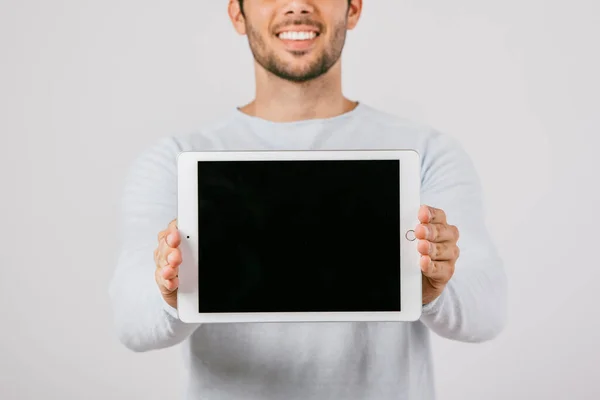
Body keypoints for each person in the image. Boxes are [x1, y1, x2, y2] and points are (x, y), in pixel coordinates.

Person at [108, 1, 508, 399]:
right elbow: (131, 321)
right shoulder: (174, 160)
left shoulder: (427, 153)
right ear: (237, 14)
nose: (297, 4)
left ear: (353, 9)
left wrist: (435, 288)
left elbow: (487, 313)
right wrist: (171, 293)